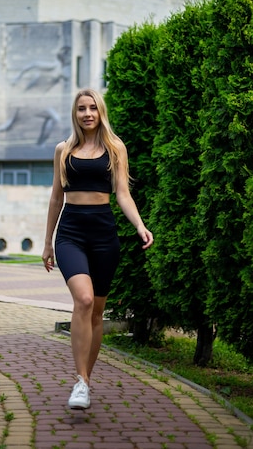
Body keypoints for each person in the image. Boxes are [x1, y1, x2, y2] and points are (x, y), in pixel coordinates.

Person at [42, 88, 153, 410]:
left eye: (92, 108)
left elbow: (123, 194)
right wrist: (48, 242)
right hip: (71, 233)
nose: (87, 113)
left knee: (97, 313)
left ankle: (85, 381)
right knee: (84, 300)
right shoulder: (63, 149)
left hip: (104, 235)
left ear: (100, 112)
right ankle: (80, 381)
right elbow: (55, 197)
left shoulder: (115, 148)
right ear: (75, 114)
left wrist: (139, 225)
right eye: (81, 109)